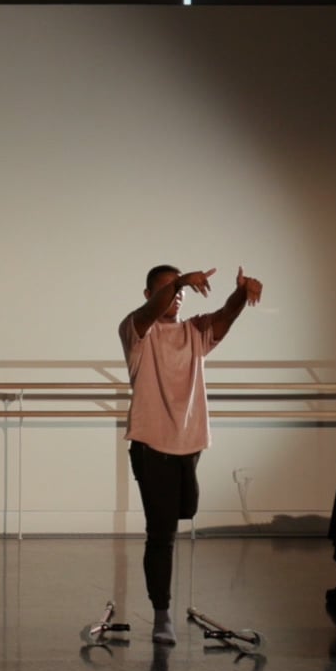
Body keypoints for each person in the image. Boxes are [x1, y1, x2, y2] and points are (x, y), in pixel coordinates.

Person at [120, 263, 263, 643]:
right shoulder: (136, 330)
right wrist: (181, 281)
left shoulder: (195, 331)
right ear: (149, 295)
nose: (178, 294)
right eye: (168, 289)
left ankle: (164, 609)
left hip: (189, 445)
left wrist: (240, 293)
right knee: (161, 534)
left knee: (186, 512)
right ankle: (161, 613)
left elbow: (225, 316)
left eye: (180, 289)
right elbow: (148, 313)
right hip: (151, 446)